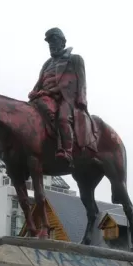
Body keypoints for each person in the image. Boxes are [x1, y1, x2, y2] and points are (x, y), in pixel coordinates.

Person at [28, 28, 90, 165]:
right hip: (43, 97)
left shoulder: (75, 59)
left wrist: (81, 99)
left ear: (63, 42)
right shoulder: (47, 64)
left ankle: (67, 151)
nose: (52, 45)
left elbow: (77, 82)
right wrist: (34, 91)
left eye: (54, 42)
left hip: (65, 97)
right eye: (50, 43)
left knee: (62, 118)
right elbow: (40, 82)